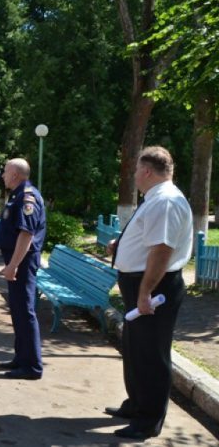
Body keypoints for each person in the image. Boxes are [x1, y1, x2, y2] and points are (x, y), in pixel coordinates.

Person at [106, 146, 192, 440]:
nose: (134, 176)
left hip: (155, 287)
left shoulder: (165, 201)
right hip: (143, 283)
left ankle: (148, 421)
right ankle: (136, 405)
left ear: (146, 171)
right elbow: (149, 240)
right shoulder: (155, 198)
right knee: (134, 349)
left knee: (151, 355)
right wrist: (122, 246)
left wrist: (145, 293)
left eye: (135, 171)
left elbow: (162, 250)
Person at [0, 158, 46, 380]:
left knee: (25, 311)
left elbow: (26, 234)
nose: (3, 175)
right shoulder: (16, 194)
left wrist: (13, 266)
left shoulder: (27, 197)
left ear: (15, 174)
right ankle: (21, 358)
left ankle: (32, 366)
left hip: (22, 262)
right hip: (17, 261)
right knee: (17, 310)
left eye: (5, 171)